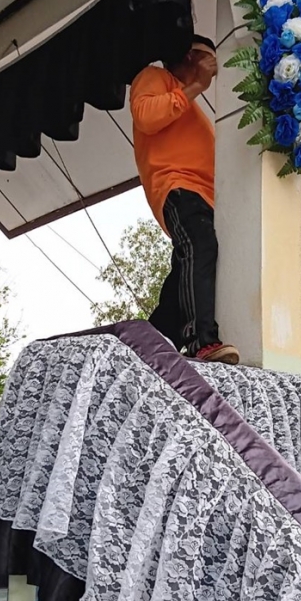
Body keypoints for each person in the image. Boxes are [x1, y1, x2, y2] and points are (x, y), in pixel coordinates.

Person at [129, 35, 239, 364]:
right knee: (200, 247)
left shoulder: (191, 106)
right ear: (190, 56)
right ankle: (200, 341)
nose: (212, 68)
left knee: (187, 270)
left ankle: (152, 343)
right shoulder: (154, 77)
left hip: (205, 197)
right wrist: (197, 86)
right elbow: (146, 116)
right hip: (179, 186)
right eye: (208, 59)